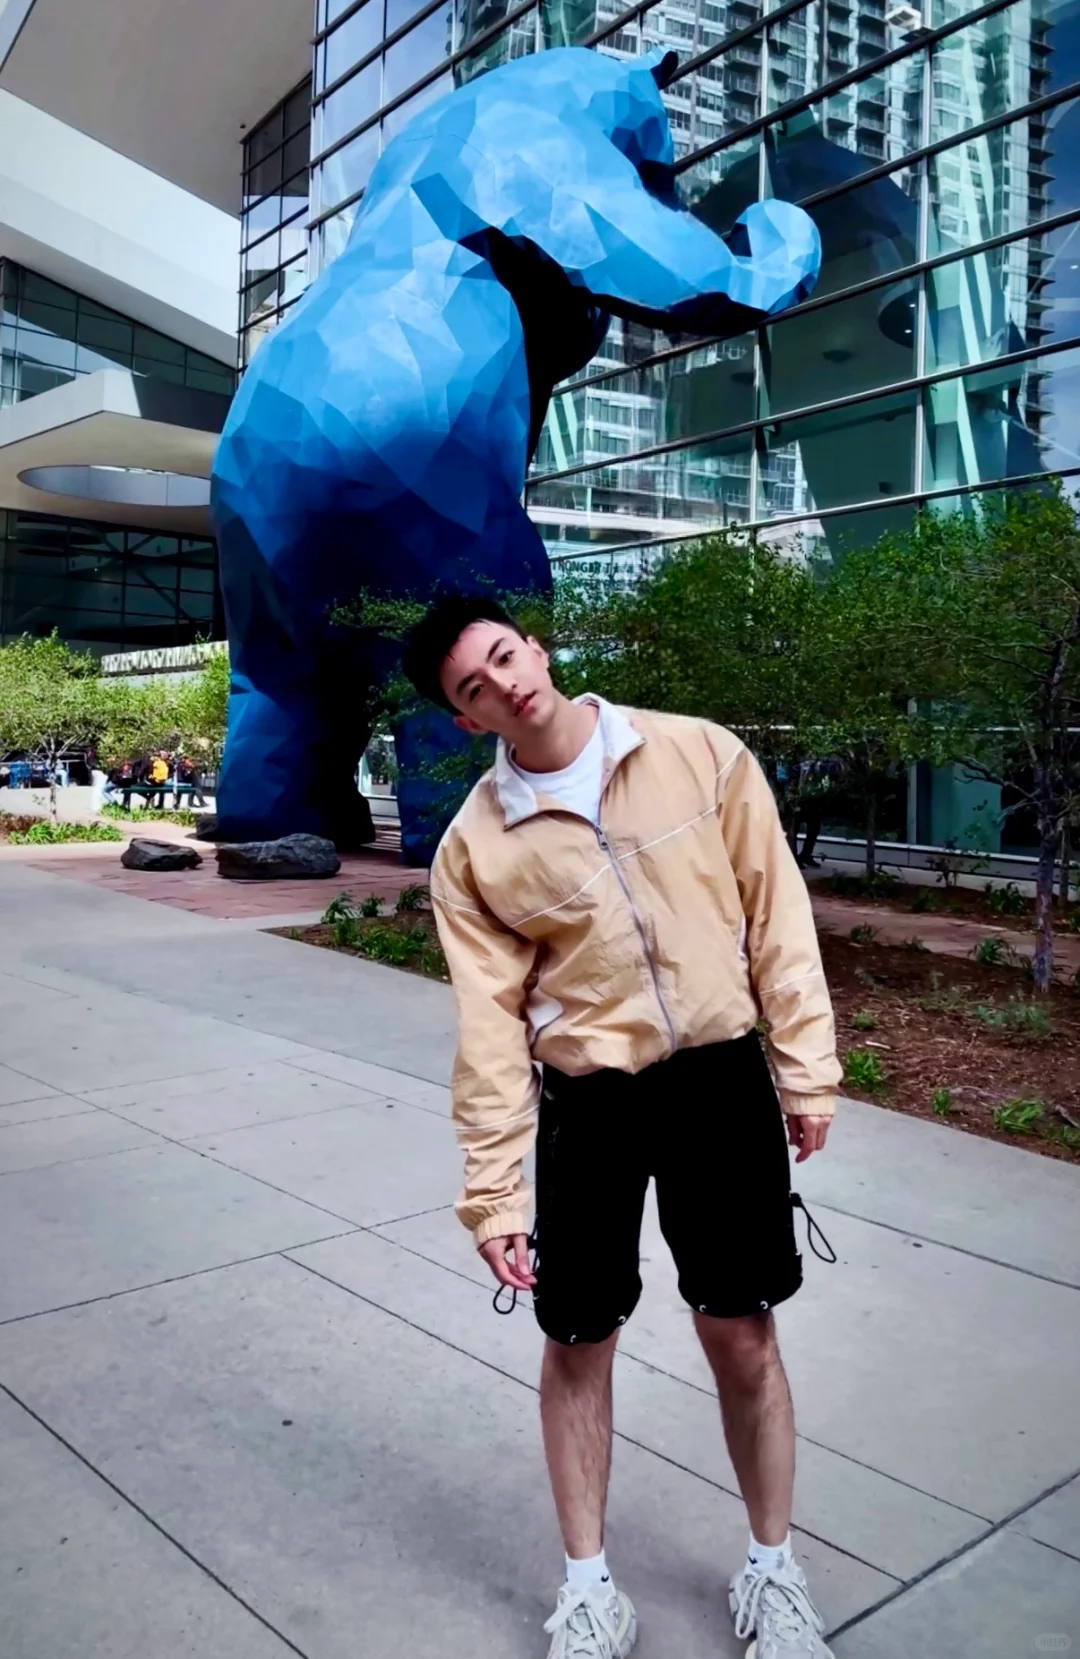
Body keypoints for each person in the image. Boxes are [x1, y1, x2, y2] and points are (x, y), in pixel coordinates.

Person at [403, 596, 843, 1659]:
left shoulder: (698, 754)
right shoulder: (476, 850)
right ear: (466, 720)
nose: (503, 684)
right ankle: (591, 1590)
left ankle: (774, 1570)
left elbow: (773, 914)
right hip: (590, 1104)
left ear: (535, 649)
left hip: (719, 1082)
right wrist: (497, 1193)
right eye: (474, 687)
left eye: (504, 656)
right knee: (576, 1340)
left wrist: (806, 1068)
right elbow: (490, 1034)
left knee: (742, 1333)